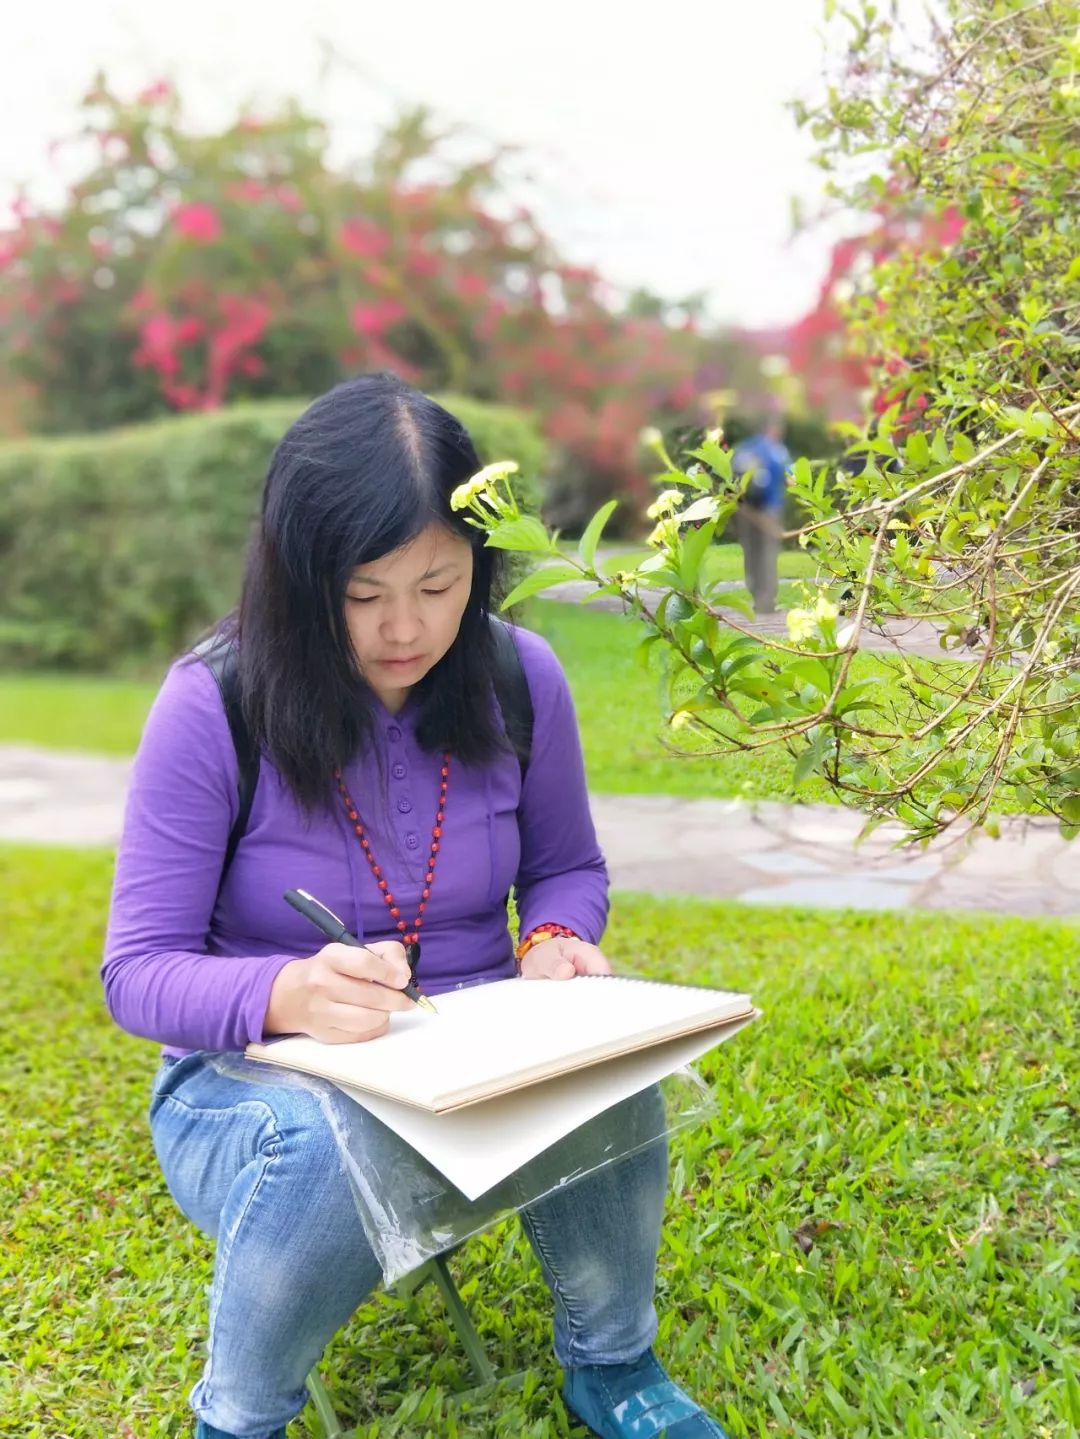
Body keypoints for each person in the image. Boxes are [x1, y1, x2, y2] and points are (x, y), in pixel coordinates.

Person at [102, 373, 732, 1439]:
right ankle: (238, 1419)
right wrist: (289, 989)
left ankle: (614, 1363)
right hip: (253, 1090)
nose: (407, 627)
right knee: (326, 1136)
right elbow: (137, 970)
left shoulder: (518, 676)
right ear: (302, 580)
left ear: (479, 564)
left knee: (618, 1074)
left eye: (440, 584)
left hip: (472, 1068)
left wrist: (554, 937)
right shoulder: (215, 703)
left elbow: (570, 867)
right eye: (363, 594)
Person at [732, 416, 792, 616]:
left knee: (751, 553)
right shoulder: (777, 451)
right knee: (767, 554)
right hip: (770, 509)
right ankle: (766, 601)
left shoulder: (745, 448)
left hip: (746, 510)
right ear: (774, 430)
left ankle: (757, 595)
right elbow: (790, 480)